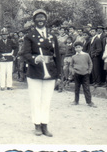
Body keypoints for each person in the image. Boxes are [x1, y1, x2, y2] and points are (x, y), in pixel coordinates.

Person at [22, 9, 61, 137]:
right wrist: (34, 59)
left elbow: (57, 57)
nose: (40, 20)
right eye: (37, 18)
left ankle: (45, 125)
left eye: (42, 18)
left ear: (46, 20)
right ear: (34, 21)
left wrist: (58, 75)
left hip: (50, 71)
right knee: (35, 100)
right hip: (35, 71)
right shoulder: (29, 36)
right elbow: (25, 53)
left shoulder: (52, 36)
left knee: (46, 100)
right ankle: (37, 125)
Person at [70, 41, 97, 108]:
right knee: (77, 88)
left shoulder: (86, 55)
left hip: (85, 74)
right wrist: (73, 71)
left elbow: (90, 63)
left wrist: (89, 71)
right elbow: (71, 65)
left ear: (82, 47)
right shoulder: (73, 57)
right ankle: (76, 101)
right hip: (77, 74)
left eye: (79, 47)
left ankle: (89, 102)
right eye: (76, 47)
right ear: (75, 48)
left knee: (86, 88)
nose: (77, 49)